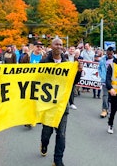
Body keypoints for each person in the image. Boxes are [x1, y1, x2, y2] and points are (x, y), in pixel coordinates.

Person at [40, 38, 71, 166]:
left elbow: (73, 82)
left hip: (62, 105)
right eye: (56, 44)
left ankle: (58, 160)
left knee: (61, 134)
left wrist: (79, 72)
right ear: (51, 46)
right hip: (48, 104)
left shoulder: (67, 63)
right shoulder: (44, 62)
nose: (59, 46)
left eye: (61, 45)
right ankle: (44, 143)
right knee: (47, 131)